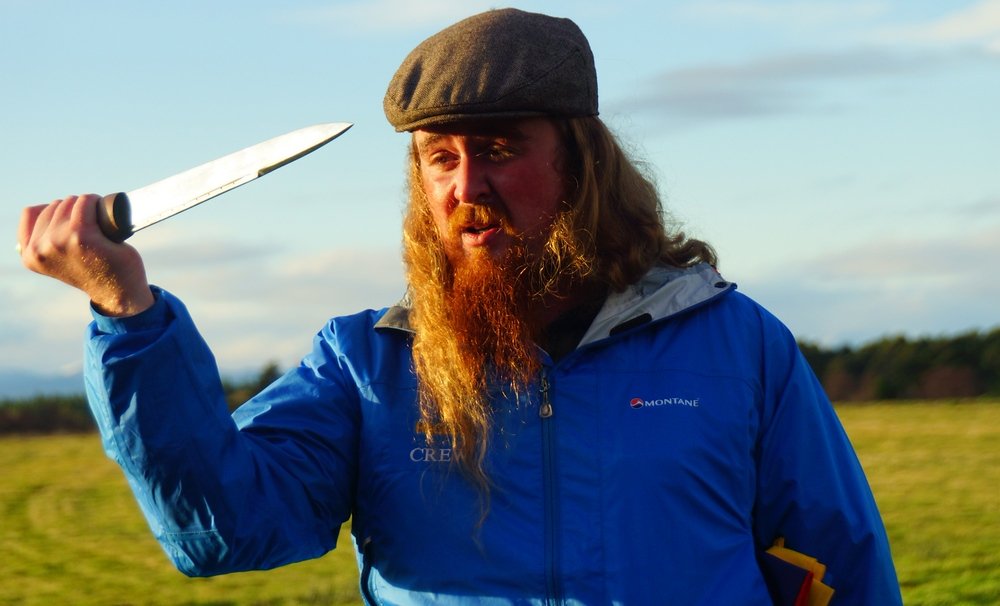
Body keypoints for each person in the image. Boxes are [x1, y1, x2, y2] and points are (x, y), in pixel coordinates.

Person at [17, 8, 901, 605]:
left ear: (582, 167)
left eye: (500, 148)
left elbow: (839, 567)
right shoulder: (367, 367)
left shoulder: (733, 345)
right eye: (440, 158)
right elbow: (222, 531)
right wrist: (128, 317)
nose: (467, 186)